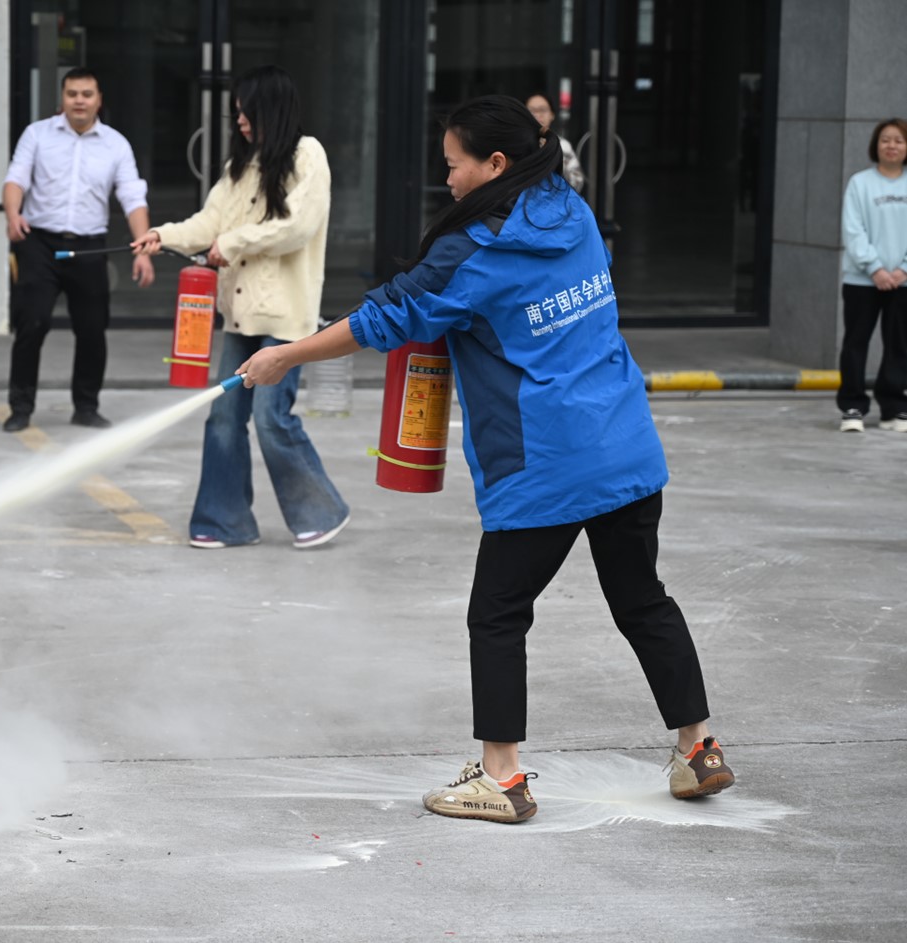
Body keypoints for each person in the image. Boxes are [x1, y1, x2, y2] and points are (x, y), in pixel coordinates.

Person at [238, 95, 733, 821]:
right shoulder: (568, 208)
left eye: (453, 165)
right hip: (623, 440)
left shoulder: (475, 248)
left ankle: (500, 776)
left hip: (546, 462)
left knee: (496, 614)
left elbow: (387, 316)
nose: (447, 180)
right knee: (641, 599)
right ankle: (698, 748)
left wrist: (286, 356)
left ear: (494, 162)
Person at [133, 65, 350, 551]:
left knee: (273, 417)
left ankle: (320, 511)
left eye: (245, 111)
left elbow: (297, 226)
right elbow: (207, 223)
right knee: (224, 418)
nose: (240, 121)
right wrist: (161, 236)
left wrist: (232, 243)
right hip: (239, 315)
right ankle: (224, 520)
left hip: (286, 319)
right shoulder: (240, 168)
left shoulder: (307, 155)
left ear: (268, 108)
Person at [1, 67, 155, 431]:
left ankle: (86, 406)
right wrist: (12, 213)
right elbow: (15, 178)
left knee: (91, 329)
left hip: (89, 248)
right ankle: (20, 407)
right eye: (72, 94)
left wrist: (143, 249)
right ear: (62, 98)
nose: (79, 101)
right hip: (39, 243)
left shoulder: (116, 144)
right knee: (31, 324)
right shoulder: (37, 135)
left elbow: (133, 198)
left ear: (99, 100)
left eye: (87, 94)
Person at [836, 117, 907, 433]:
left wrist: (902, 270)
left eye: (899, 140)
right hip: (862, 281)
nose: (891, 146)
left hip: (903, 281)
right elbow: (853, 232)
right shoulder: (859, 183)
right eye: (885, 139)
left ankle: (894, 407)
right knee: (855, 342)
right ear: (875, 145)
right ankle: (853, 406)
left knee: (899, 345)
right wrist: (875, 269)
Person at [525, 93, 584, 193]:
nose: (537, 115)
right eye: (532, 111)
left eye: (542, 110)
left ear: (552, 115)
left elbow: (577, 183)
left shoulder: (563, 146)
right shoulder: (517, 144)